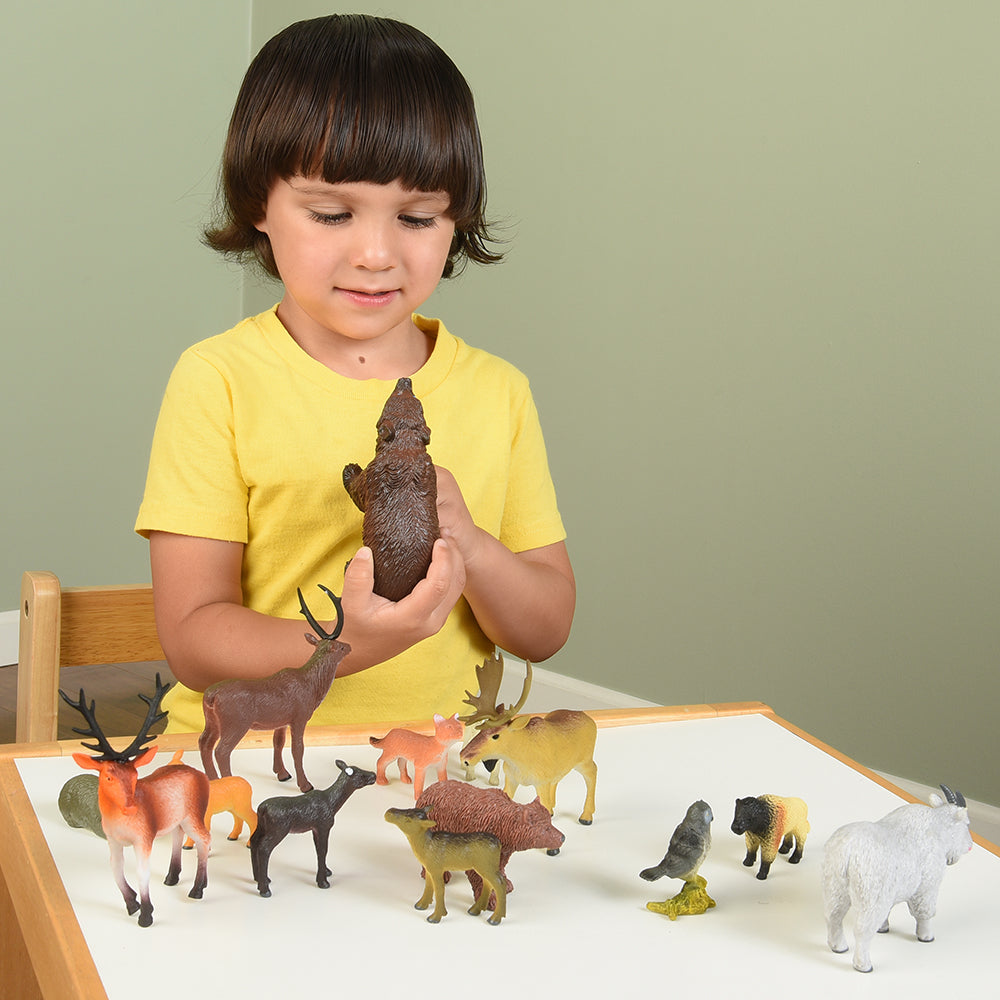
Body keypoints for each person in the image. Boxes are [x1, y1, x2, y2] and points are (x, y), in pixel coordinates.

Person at [135, 14, 575, 731]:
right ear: (259, 204)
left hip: (434, 766)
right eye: (332, 213)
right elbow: (193, 640)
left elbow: (546, 628)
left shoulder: (501, 392)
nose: (376, 254)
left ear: (456, 220)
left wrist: (470, 543)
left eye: (417, 219)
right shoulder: (218, 380)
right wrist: (349, 644)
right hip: (252, 756)